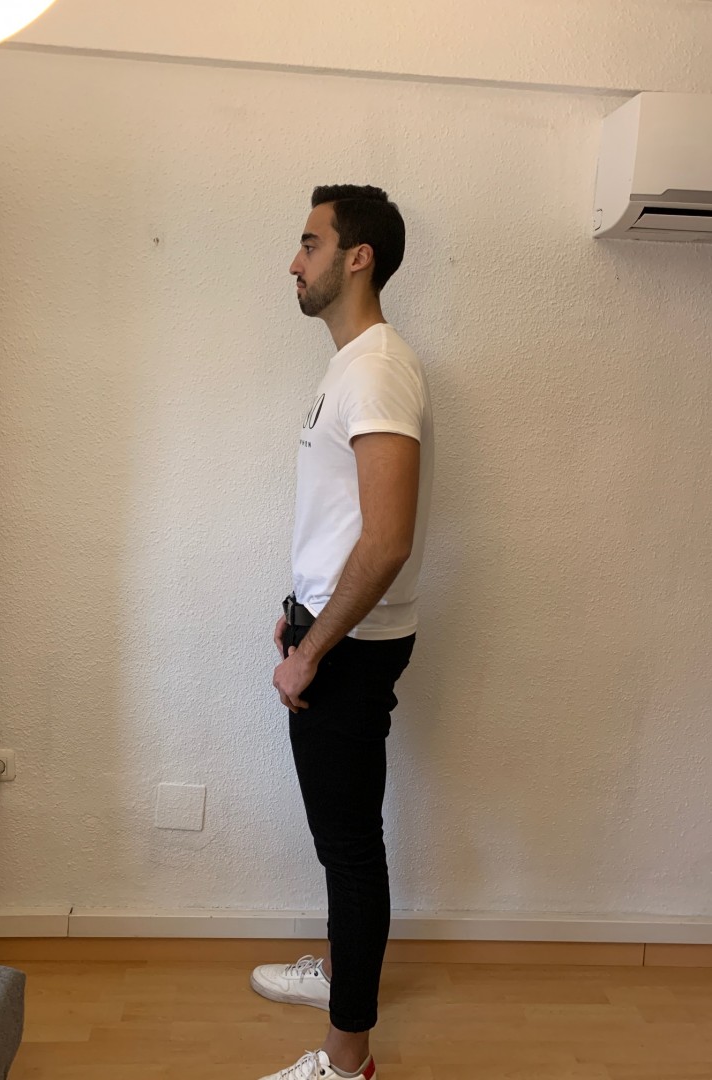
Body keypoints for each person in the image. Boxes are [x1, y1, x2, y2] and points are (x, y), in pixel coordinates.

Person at [250, 185, 434, 1080]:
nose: (295, 262)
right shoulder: (352, 365)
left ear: (357, 257)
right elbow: (342, 522)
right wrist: (298, 611)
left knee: (351, 849)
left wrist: (313, 649)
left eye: (310, 242)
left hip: (349, 650)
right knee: (342, 840)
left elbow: (387, 540)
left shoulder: (377, 368)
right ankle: (338, 976)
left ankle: (348, 1054)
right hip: (329, 630)